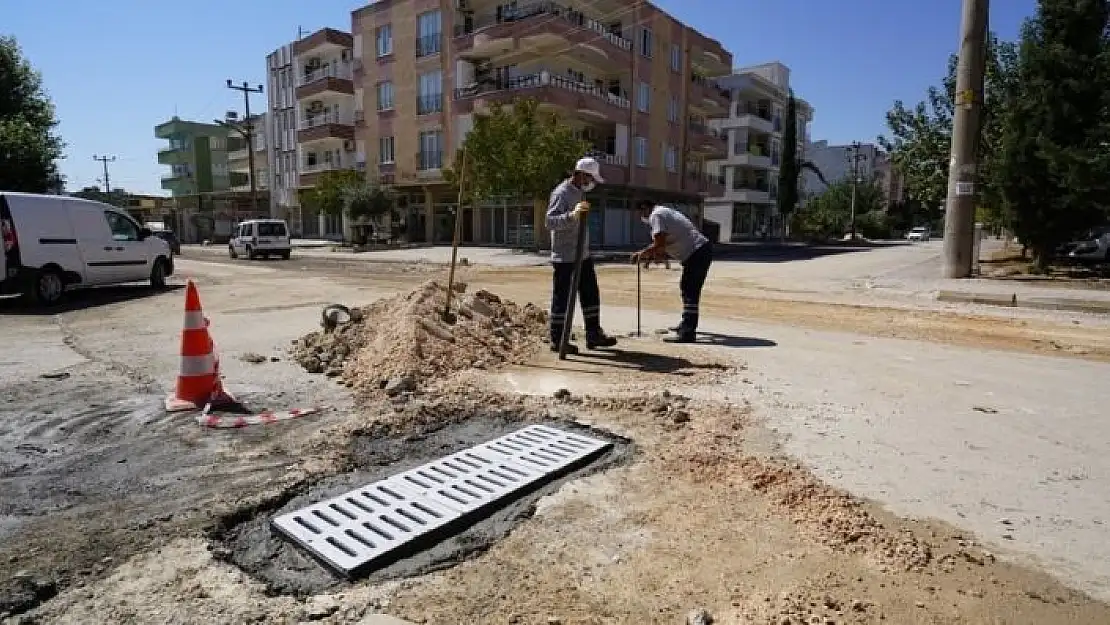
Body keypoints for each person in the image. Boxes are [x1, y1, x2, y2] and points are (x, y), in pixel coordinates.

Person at [545, 157, 619, 354]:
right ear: (580, 175)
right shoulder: (561, 193)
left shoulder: (580, 192)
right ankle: (558, 339)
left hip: (582, 254)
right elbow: (550, 221)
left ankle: (593, 333)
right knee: (562, 298)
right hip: (565, 256)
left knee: (590, 294)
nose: (592, 183)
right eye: (590, 179)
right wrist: (572, 215)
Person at [631, 200, 713, 343]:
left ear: (644, 208)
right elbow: (663, 245)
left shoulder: (656, 215)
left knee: (690, 289)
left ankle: (688, 331)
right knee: (688, 288)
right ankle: (686, 323)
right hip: (699, 252)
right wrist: (653, 255)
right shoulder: (664, 212)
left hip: (697, 252)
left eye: (639, 213)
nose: (640, 218)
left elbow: (660, 244)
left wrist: (643, 254)